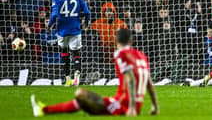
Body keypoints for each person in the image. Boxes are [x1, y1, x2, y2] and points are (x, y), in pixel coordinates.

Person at [31, 29, 159, 117]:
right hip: (131, 104)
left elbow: (130, 78)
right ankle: (43, 110)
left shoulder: (120, 54)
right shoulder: (141, 56)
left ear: (116, 41)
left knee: (80, 94)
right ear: (131, 41)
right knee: (84, 101)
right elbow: (149, 83)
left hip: (122, 105)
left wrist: (131, 108)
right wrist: (155, 107)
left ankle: (43, 110)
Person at [48, 0, 90, 86]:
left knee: (64, 52)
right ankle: (77, 75)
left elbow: (54, 14)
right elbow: (87, 12)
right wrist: (86, 23)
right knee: (76, 53)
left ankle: (67, 78)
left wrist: (49, 25)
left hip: (62, 30)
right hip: (75, 29)